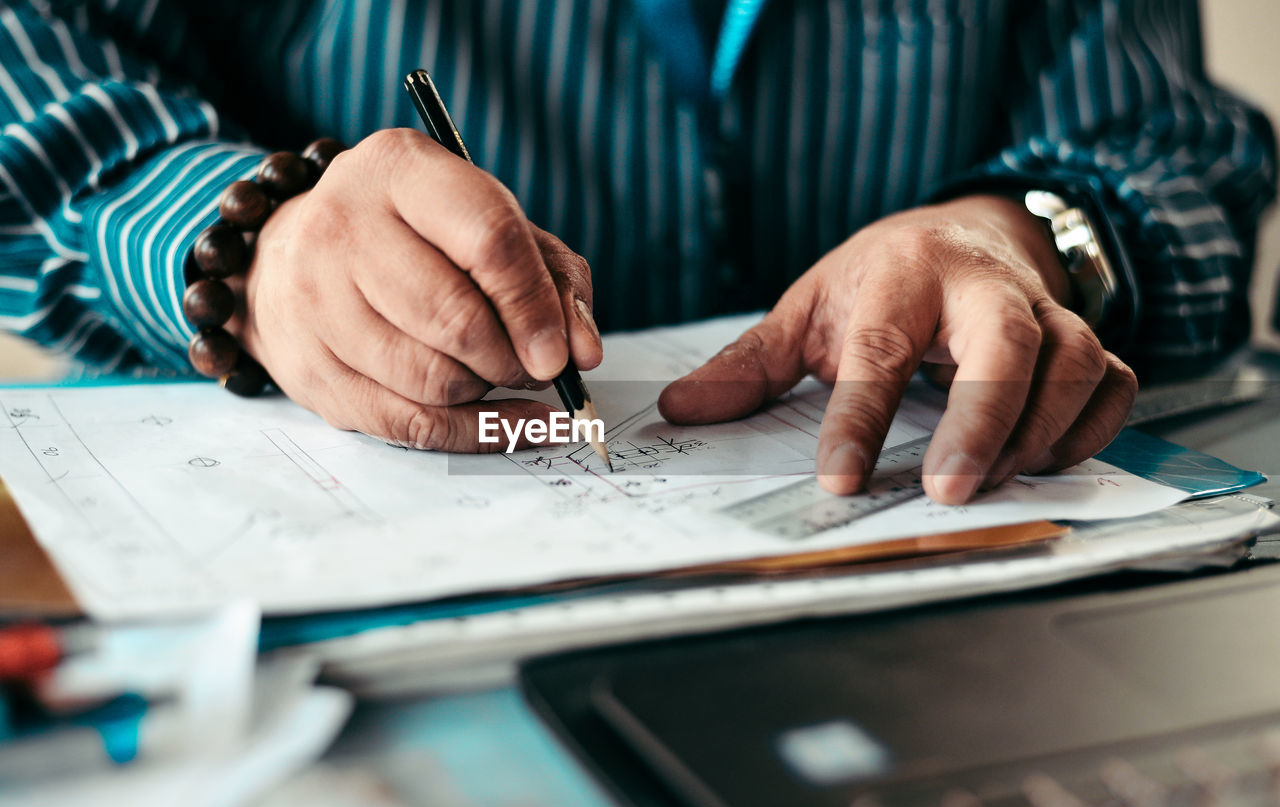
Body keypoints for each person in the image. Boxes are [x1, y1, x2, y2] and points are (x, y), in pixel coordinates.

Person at [0, 0, 1274, 505]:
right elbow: (35, 101)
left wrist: (1020, 238)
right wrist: (259, 245)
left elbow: (1172, 149)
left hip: (953, 610)